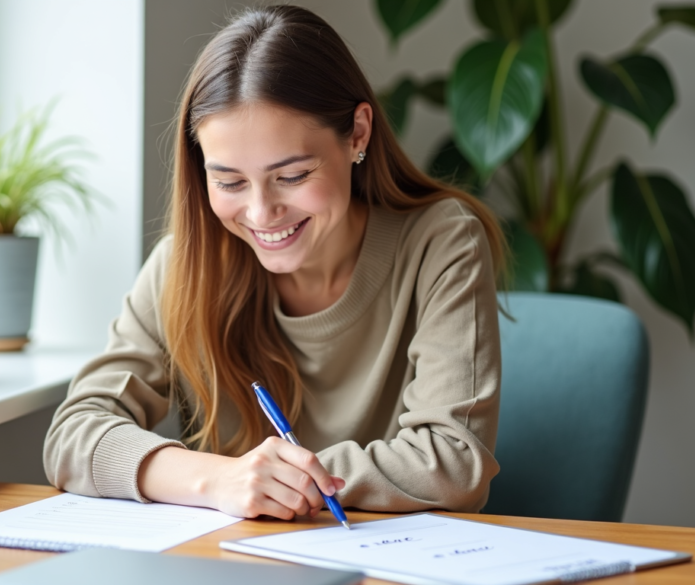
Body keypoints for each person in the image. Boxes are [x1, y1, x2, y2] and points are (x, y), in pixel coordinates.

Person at [44, 5, 506, 521]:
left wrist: (277, 480)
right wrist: (219, 479)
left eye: (292, 175)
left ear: (357, 133)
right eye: (230, 182)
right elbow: (73, 435)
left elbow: (453, 460)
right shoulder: (184, 265)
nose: (262, 213)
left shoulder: (440, 241)